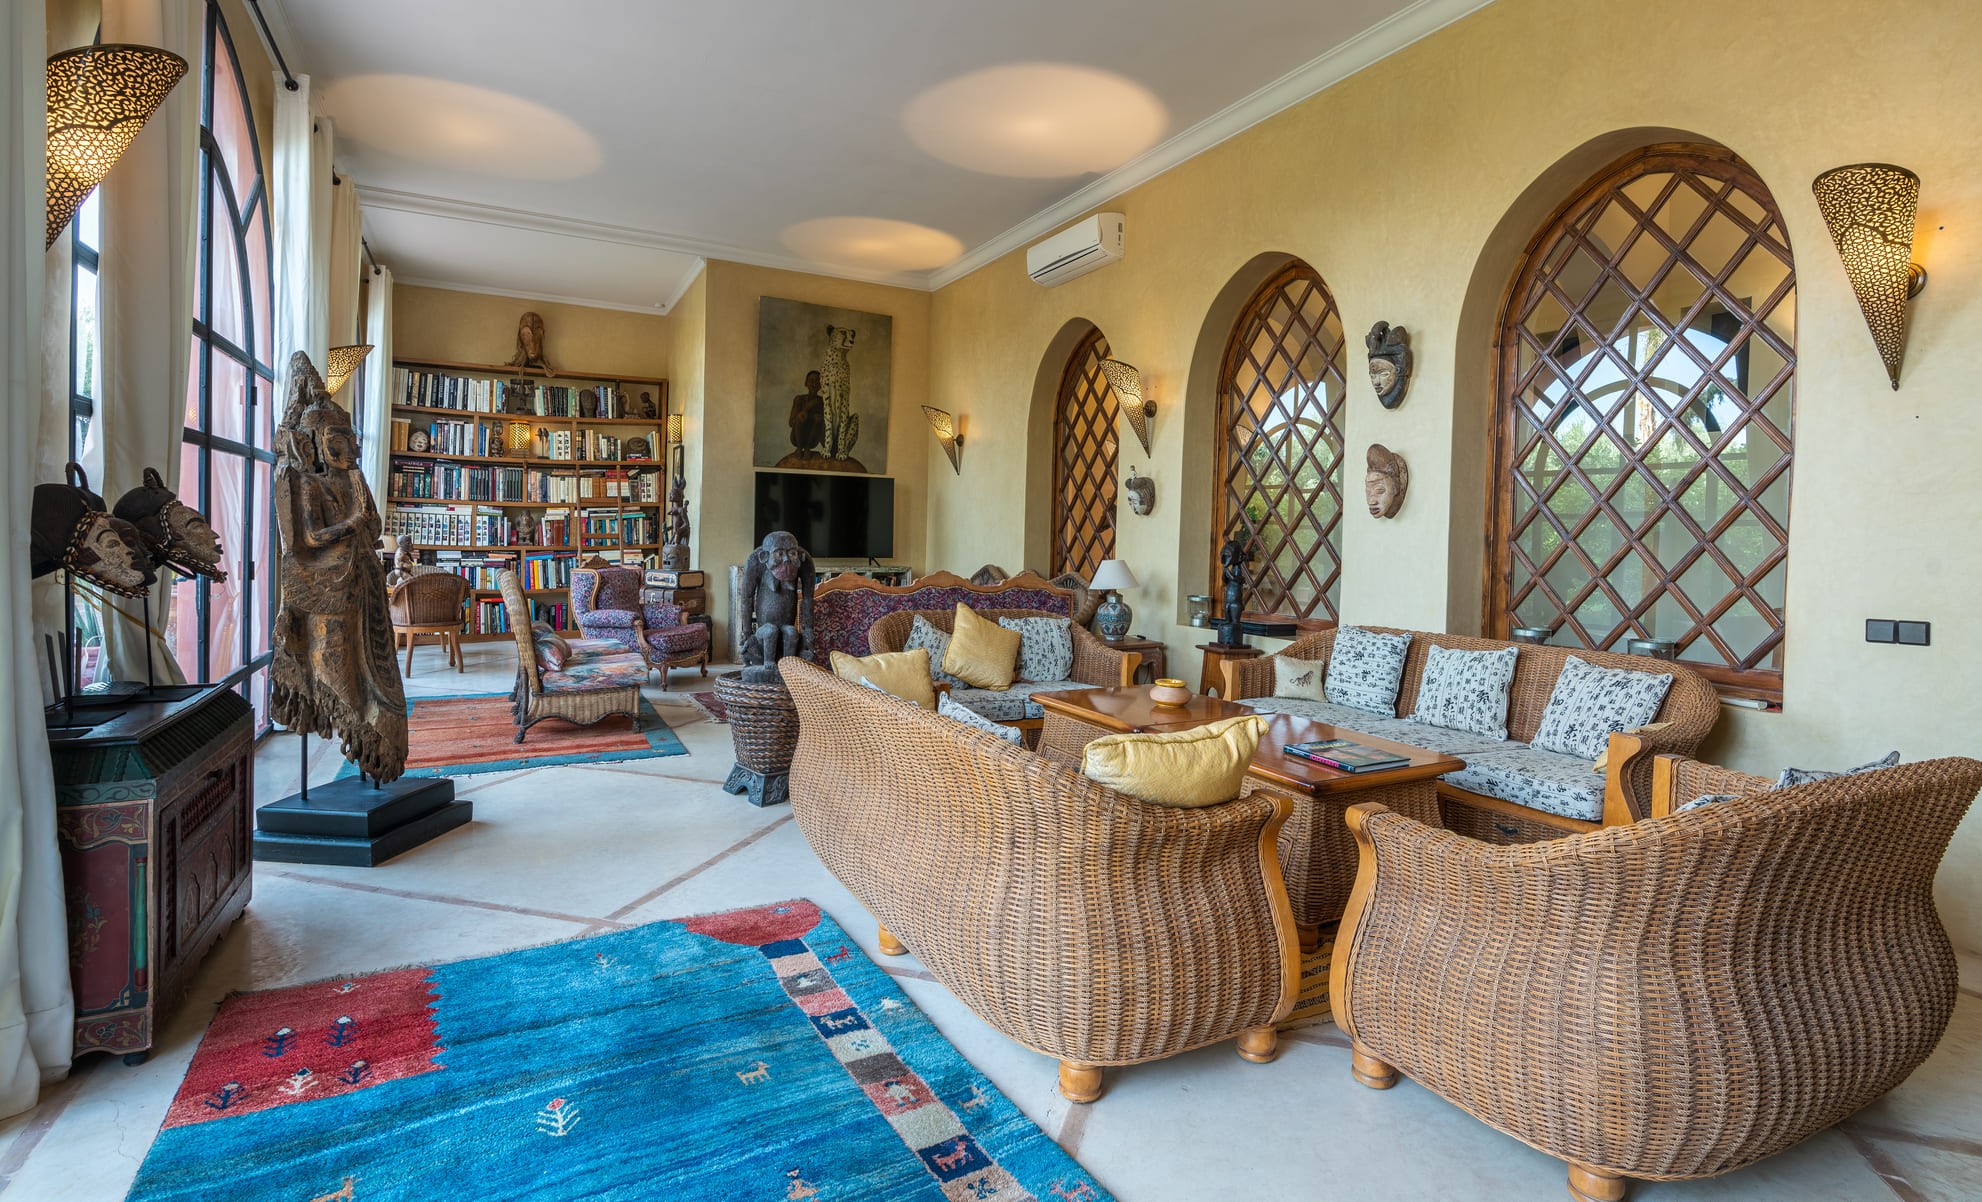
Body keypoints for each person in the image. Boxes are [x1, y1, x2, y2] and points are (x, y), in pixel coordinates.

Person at [788, 371, 826, 452]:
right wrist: (806, 409)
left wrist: (815, 417)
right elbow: (791, 423)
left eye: (817, 381)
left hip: (812, 441)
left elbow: (825, 425)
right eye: (811, 381)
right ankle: (799, 448)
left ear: (821, 385)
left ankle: (807, 448)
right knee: (801, 416)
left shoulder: (822, 401)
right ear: (806, 383)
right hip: (796, 438)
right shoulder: (799, 399)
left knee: (818, 418)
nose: (814, 384)